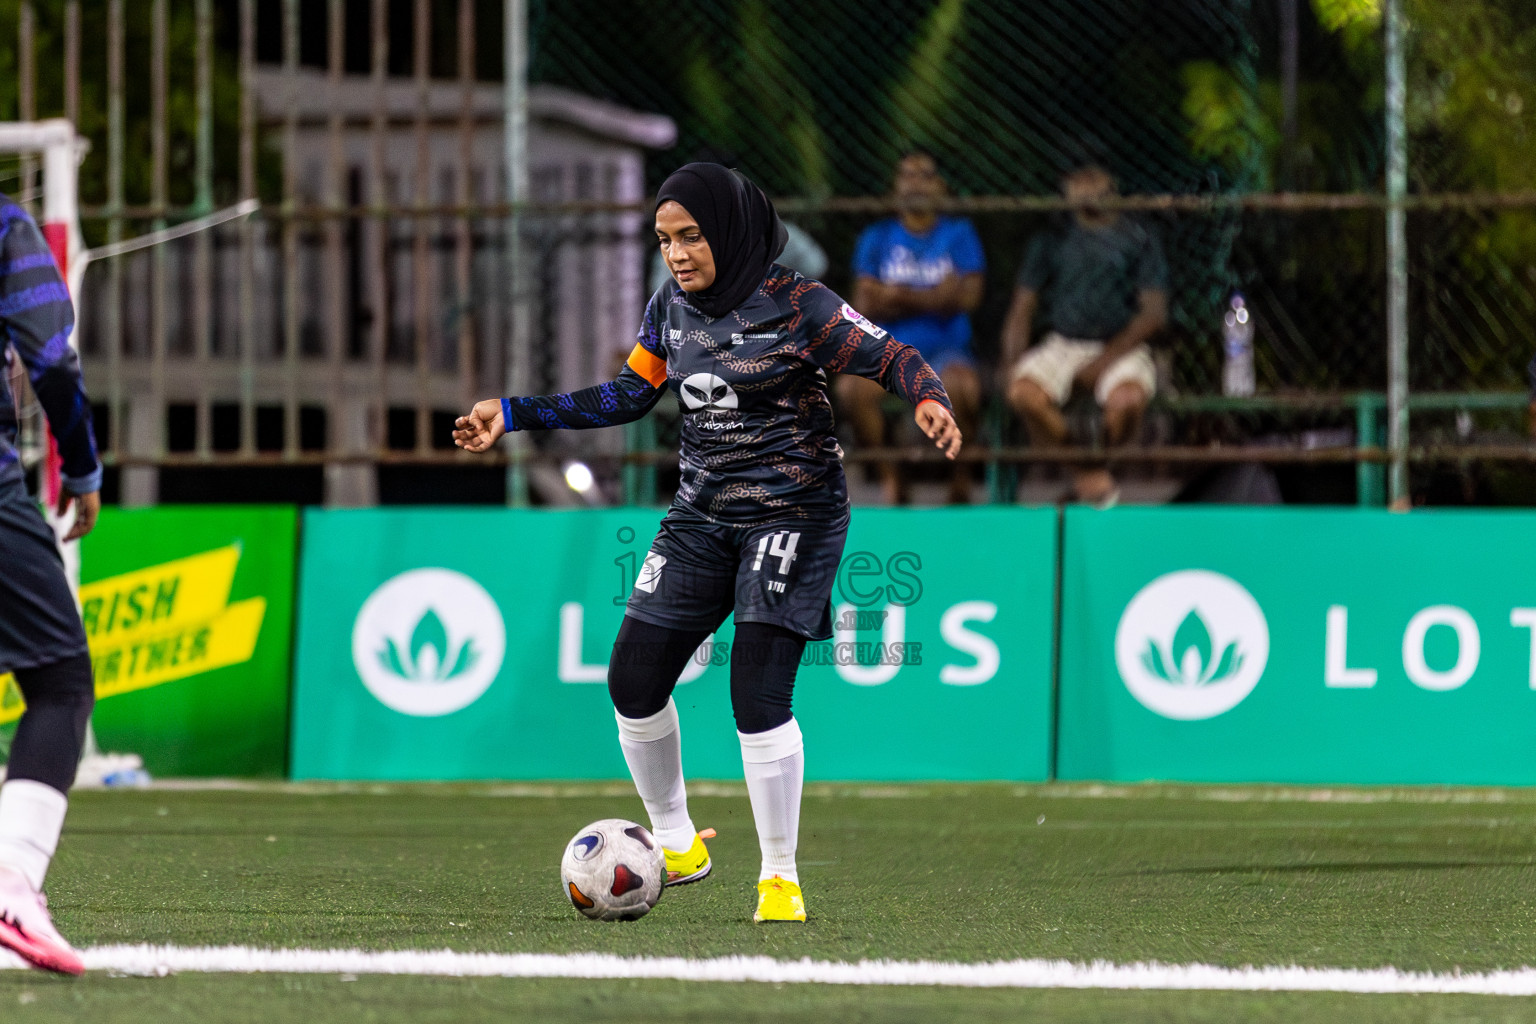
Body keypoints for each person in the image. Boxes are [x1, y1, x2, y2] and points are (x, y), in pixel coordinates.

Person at [454, 163, 960, 923]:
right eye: (664, 240)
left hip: (796, 512)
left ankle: (780, 878)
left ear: (728, 229)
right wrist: (514, 412)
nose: (678, 254)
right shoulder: (670, 309)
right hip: (700, 517)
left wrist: (930, 399)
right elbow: (630, 394)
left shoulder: (799, 305)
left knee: (756, 697)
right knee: (632, 681)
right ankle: (677, 842)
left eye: (691, 235)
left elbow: (892, 357)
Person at [0, 194, 102, 976]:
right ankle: (12, 887)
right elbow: (53, 359)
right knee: (60, 682)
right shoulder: (7, 227)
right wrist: (82, 461)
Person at [1001, 162, 1168, 505]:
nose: (1085, 186)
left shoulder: (1138, 235)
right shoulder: (1051, 238)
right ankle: (1087, 475)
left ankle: (1089, 481)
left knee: (1127, 402)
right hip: (1062, 344)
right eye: (1076, 178)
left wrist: (1104, 361)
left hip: (1120, 346)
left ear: (1112, 181)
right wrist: (1011, 361)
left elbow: (1153, 314)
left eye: (1094, 175)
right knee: (1023, 394)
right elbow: (1022, 308)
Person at [841, 149, 984, 504]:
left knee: (963, 388)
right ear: (895, 187)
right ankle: (893, 480)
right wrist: (936, 296)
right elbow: (864, 305)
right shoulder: (876, 237)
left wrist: (896, 294)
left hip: (946, 349)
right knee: (850, 391)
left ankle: (960, 481)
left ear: (940, 187)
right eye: (907, 175)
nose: (915, 183)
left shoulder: (959, 234)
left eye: (925, 175)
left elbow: (968, 298)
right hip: (890, 349)